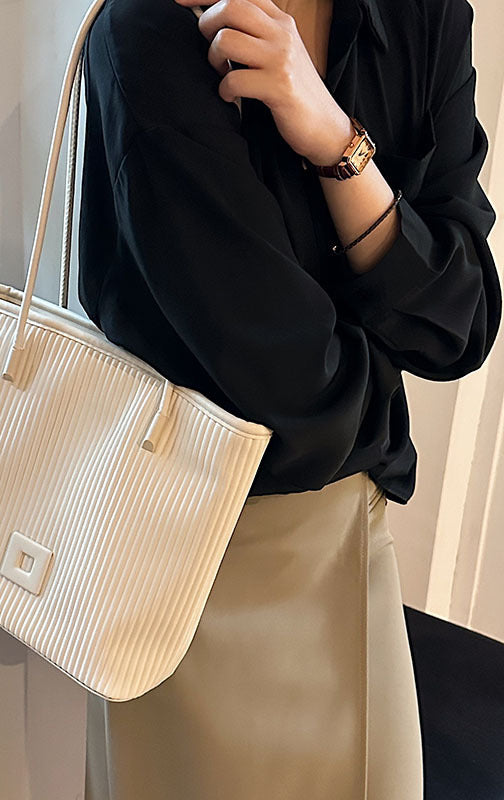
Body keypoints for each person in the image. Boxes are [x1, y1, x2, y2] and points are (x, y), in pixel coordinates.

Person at [77, 0, 502, 797]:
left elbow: (460, 321)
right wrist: (388, 343)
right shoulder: (150, 29)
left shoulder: (423, 16)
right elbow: (295, 383)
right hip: (186, 562)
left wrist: (336, 143)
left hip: (345, 534)